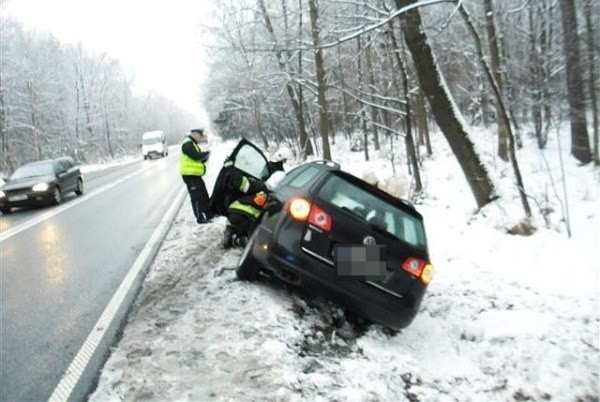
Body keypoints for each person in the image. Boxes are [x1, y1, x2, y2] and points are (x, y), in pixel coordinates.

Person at [180, 128, 211, 224]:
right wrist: (206, 154)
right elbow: (196, 156)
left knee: (203, 194)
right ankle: (200, 218)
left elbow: (199, 158)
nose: (200, 138)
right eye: (199, 136)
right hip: (190, 176)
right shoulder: (187, 144)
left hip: (195, 175)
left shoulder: (192, 143)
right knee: (196, 197)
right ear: (194, 134)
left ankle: (209, 213)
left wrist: (205, 156)